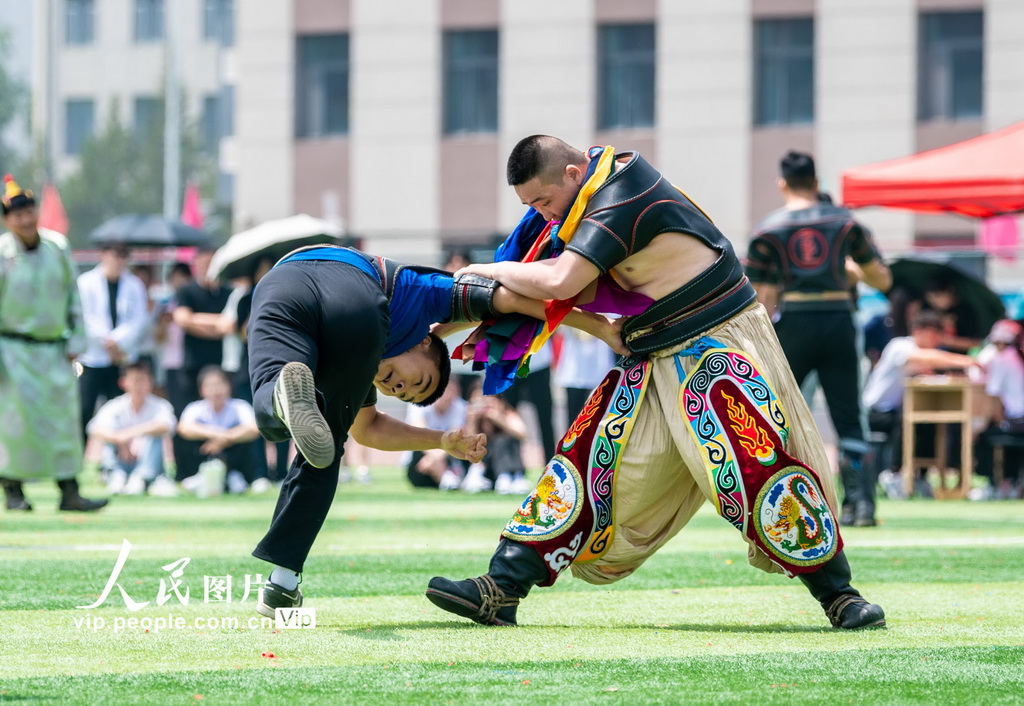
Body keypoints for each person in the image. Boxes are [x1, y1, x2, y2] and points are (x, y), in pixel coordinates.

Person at [427, 135, 885, 630]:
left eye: (542, 201)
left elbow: (560, 283)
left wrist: (480, 268)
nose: (540, 215)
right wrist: (434, 325)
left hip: (713, 342)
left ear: (572, 175)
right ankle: (502, 586)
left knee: (753, 465)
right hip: (651, 352)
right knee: (584, 460)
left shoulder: (620, 195)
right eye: (531, 206)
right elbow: (551, 287)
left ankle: (840, 595)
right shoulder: (587, 197)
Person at [246, 244, 623, 619]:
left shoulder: (365, 368)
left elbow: (370, 429)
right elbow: (510, 297)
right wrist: (600, 328)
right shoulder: (423, 299)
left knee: (273, 395)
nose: (398, 390)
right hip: (355, 290)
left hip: (281, 282)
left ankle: (281, 396)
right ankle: (282, 582)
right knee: (324, 449)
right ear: (426, 342)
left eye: (403, 394)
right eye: (419, 381)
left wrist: (441, 442)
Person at [746, 150, 892, 527]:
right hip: (840, 319)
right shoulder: (846, 223)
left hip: (794, 322)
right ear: (816, 182)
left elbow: (760, 298)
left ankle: (788, 501)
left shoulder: (768, 229)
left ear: (783, 184)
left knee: (781, 413)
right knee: (849, 416)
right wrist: (851, 271)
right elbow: (883, 280)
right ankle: (860, 505)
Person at [0, 175, 107, 512]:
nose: (26, 219)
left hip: (54, 349)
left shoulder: (57, 246)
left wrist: (77, 338)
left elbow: (72, 295)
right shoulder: (1, 253)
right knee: (13, 425)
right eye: (18, 215)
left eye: (30, 211)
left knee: (63, 422)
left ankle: (69, 491)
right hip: (11, 350)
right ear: (7, 220)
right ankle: (14, 494)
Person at [862, 310, 978, 499]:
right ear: (918, 331)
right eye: (935, 334)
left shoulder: (922, 353)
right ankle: (894, 473)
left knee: (929, 419)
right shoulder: (900, 345)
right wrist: (966, 361)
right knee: (908, 417)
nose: (938, 340)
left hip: (897, 410)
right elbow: (928, 357)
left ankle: (921, 475)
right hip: (876, 412)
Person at [77, 242, 150, 441]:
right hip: (92, 357)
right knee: (84, 408)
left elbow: (138, 320)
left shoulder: (134, 284)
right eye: (115, 255)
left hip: (122, 358)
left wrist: (118, 341)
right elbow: (85, 317)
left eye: (123, 256)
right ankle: (81, 457)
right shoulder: (85, 282)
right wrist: (106, 341)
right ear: (103, 255)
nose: (119, 261)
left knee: (118, 409)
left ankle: (114, 459)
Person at [171, 248, 232, 481]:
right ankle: (184, 472)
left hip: (222, 367)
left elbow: (230, 325)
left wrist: (198, 321)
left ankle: (226, 472)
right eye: (204, 263)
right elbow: (183, 319)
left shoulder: (228, 292)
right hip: (191, 367)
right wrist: (216, 325)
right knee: (185, 419)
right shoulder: (186, 291)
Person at [87, 362, 178, 497]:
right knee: (109, 433)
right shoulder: (115, 405)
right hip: (121, 458)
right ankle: (116, 475)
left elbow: (167, 425)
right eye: (135, 381)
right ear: (123, 383)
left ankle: (141, 478)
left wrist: (129, 434)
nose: (139, 386)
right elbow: (94, 428)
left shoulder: (160, 405)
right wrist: (118, 439)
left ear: (150, 383)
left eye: (143, 380)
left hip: (145, 459)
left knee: (154, 436)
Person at [177, 365, 262, 495]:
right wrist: (218, 435)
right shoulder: (195, 408)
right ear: (201, 390)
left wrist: (225, 439)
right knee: (185, 439)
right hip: (204, 453)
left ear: (229, 386)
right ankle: (197, 476)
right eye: (210, 386)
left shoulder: (239, 406)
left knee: (247, 438)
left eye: (219, 384)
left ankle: (236, 477)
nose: (216, 390)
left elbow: (254, 428)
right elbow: (183, 428)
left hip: (233, 456)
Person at [973, 320, 1024, 496]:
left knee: (983, 436)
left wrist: (980, 424)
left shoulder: (1002, 359)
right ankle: (1012, 480)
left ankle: (994, 483)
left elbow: (993, 400)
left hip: (1017, 421)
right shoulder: (1017, 357)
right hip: (1018, 420)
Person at [462, 383, 531, 496]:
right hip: (484, 465)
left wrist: (499, 419)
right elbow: (469, 443)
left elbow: (522, 433)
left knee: (502, 440)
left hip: (510, 465)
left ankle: (512, 477)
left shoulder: (507, 413)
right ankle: (475, 477)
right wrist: (472, 421)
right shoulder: (470, 416)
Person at [404, 378, 470, 490]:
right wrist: (434, 456)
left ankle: (446, 479)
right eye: (444, 391)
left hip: (445, 456)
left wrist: (434, 458)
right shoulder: (418, 403)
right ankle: (446, 478)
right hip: (420, 460)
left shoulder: (460, 407)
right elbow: (420, 434)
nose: (448, 395)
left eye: (452, 391)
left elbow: (454, 437)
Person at [554, 328, 619, 426]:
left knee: (600, 420)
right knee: (574, 421)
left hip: (601, 369)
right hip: (573, 373)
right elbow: (557, 329)